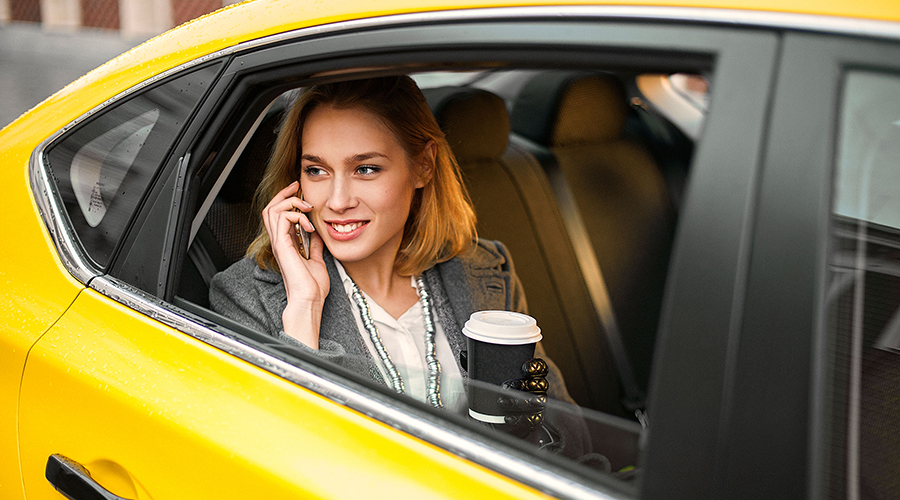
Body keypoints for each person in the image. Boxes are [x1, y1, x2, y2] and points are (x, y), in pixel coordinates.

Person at [210, 76, 587, 456]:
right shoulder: (248, 298)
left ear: (423, 166)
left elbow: (571, 437)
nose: (337, 201)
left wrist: (526, 429)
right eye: (317, 171)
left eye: (366, 169)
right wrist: (304, 310)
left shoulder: (484, 270)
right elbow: (282, 457)